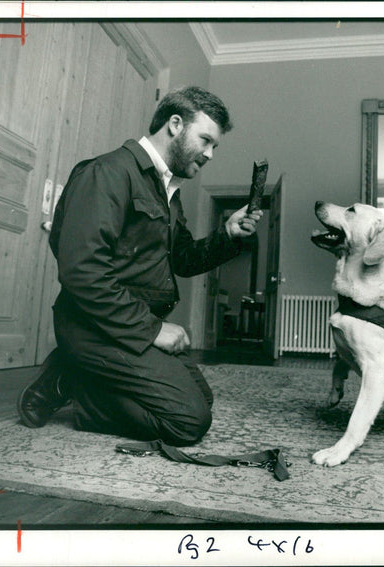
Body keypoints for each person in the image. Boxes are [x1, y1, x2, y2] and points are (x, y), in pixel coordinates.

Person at [18, 86, 263, 446]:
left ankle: (74, 371)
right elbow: (81, 272)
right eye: (206, 140)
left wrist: (227, 234)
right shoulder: (107, 172)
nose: (210, 154)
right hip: (94, 327)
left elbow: (183, 260)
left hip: (127, 327)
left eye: (215, 146)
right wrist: (152, 330)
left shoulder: (167, 191)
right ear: (175, 124)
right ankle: (79, 384)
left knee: (202, 401)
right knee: (187, 421)